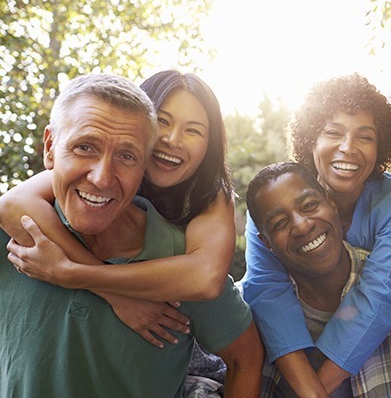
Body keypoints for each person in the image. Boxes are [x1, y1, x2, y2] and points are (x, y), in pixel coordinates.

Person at [0, 73, 264, 398]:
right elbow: (10, 204)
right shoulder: (24, 227)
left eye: (127, 155)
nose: (101, 176)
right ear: (51, 148)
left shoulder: (196, 222)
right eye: (85, 147)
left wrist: (70, 273)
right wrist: (110, 290)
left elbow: (212, 290)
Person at [1, 70, 236, 348]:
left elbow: (206, 278)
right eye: (162, 121)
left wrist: (69, 273)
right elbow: (12, 205)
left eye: (194, 130)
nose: (173, 139)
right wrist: (114, 295)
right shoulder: (97, 171)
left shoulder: (210, 194)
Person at [240, 74, 391, 398]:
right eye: (333, 132)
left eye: (365, 137)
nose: (348, 148)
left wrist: (316, 396)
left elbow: (380, 296)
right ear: (311, 140)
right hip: (295, 358)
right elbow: (267, 291)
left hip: (371, 360)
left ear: (380, 146)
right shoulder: (273, 199)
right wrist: (308, 392)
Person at [244, 162, 391, 398]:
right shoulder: (247, 314)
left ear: (332, 203)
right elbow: (207, 380)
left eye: (309, 206)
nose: (301, 226)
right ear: (265, 243)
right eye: (279, 223)